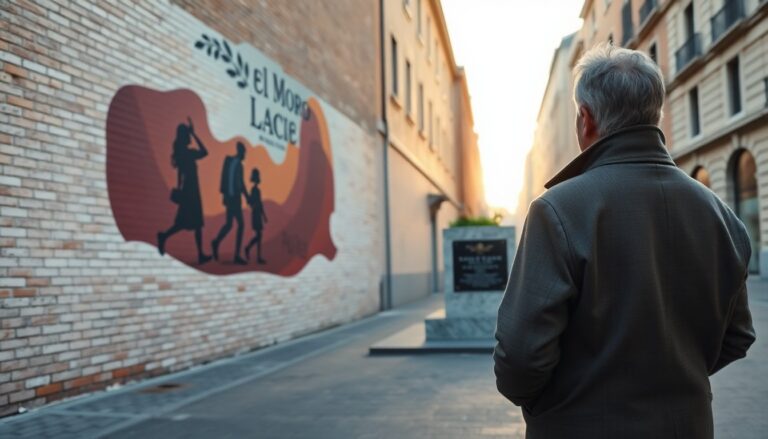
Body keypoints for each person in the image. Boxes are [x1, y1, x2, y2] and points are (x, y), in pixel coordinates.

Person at [494, 44, 756, 438]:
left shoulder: (558, 210)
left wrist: (553, 403)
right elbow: (737, 337)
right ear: (656, 114)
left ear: (586, 118)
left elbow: (519, 358)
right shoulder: (721, 214)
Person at [157, 118, 212, 265]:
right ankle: (164, 236)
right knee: (190, 223)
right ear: (184, 136)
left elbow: (180, 175)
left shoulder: (182, 153)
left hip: (190, 190)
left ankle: (165, 237)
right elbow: (205, 152)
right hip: (191, 192)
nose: (189, 137)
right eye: (187, 135)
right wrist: (194, 134)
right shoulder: (187, 153)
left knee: (188, 223)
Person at [212, 142, 248, 265]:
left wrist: (247, 197)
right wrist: (224, 195)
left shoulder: (240, 166)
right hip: (231, 199)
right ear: (240, 152)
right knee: (239, 225)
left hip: (236, 198)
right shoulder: (229, 161)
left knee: (230, 224)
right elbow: (224, 179)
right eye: (244, 152)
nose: (245, 155)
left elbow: (241, 183)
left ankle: (216, 242)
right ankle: (236, 255)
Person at [244, 168, 268, 264]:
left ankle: (255, 254)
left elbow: (259, 203)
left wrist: (264, 216)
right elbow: (253, 202)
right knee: (259, 235)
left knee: (259, 236)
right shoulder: (254, 190)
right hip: (255, 214)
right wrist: (263, 215)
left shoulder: (256, 190)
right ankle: (251, 250)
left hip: (257, 214)